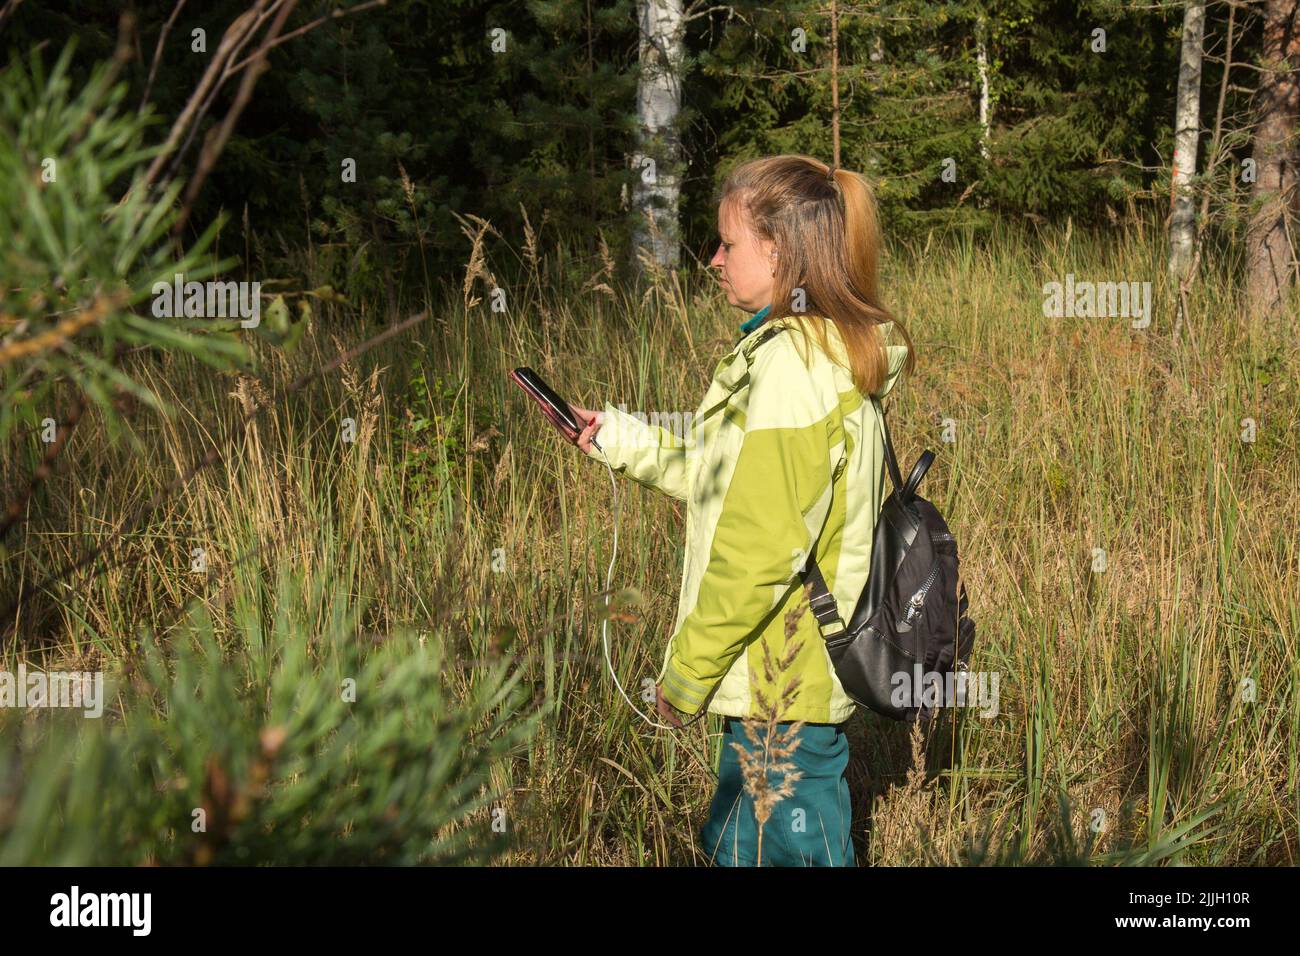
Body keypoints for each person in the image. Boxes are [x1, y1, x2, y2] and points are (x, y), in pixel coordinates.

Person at [567, 155, 916, 866]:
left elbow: (762, 547)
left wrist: (688, 674)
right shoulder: (811, 350)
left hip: (778, 674)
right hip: (780, 676)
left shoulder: (793, 365)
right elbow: (725, 478)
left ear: (779, 251)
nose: (714, 260)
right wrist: (619, 439)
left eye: (727, 244)